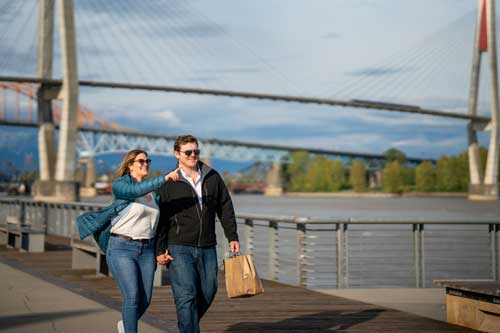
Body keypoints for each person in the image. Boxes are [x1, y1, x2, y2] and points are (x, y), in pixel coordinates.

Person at [77, 149, 179, 333]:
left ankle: (125, 325)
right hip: (121, 248)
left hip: (146, 250)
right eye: (141, 161)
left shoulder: (153, 195)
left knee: (145, 300)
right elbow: (136, 190)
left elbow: (156, 226)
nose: (145, 164)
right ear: (130, 165)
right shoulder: (121, 186)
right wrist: (165, 178)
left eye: (148, 161)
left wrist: (159, 250)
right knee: (132, 296)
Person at [155, 135, 240, 333]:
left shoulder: (212, 176)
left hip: (207, 245)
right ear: (177, 154)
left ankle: (187, 324)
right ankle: (189, 328)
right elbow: (161, 218)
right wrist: (159, 249)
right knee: (187, 294)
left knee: (209, 291)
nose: (193, 155)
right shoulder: (168, 183)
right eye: (188, 152)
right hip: (178, 246)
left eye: (196, 152)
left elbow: (225, 207)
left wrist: (232, 236)